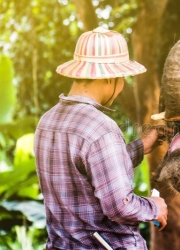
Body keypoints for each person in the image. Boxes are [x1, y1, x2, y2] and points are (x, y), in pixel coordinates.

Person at [34, 26, 168, 250]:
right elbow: (120, 207)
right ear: (110, 78)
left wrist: (141, 147)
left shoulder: (47, 122)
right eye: (122, 77)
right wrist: (154, 207)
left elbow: (87, 170)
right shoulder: (102, 128)